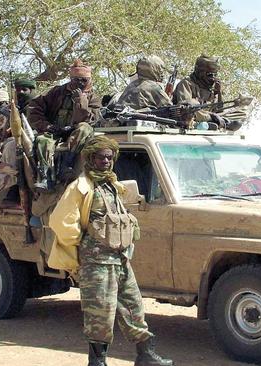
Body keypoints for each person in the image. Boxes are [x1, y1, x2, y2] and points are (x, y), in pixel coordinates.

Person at [48, 136, 173, 366]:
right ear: (91, 159)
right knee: (100, 313)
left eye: (109, 157)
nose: (106, 161)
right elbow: (60, 221)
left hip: (121, 258)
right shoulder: (81, 187)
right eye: (101, 157)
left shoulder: (113, 186)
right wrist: (83, 248)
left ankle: (145, 355)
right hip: (97, 262)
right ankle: (97, 361)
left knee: (133, 306)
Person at [28, 60, 101, 191]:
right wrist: (46, 126)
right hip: (55, 130)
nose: (80, 83)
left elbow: (91, 119)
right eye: (76, 80)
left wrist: (80, 102)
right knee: (42, 140)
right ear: (70, 79)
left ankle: (67, 165)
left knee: (84, 128)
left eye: (83, 80)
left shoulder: (94, 98)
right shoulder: (57, 92)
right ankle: (46, 177)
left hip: (75, 132)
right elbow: (34, 107)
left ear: (89, 80)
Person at [173, 55, 244, 131]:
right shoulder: (186, 83)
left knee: (242, 112)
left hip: (208, 117)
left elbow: (219, 111)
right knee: (191, 107)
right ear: (200, 72)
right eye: (210, 74)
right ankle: (219, 121)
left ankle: (219, 121)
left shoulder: (209, 88)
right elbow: (186, 108)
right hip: (187, 118)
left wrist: (218, 93)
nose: (213, 78)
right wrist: (212, 116)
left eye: (215, 74)